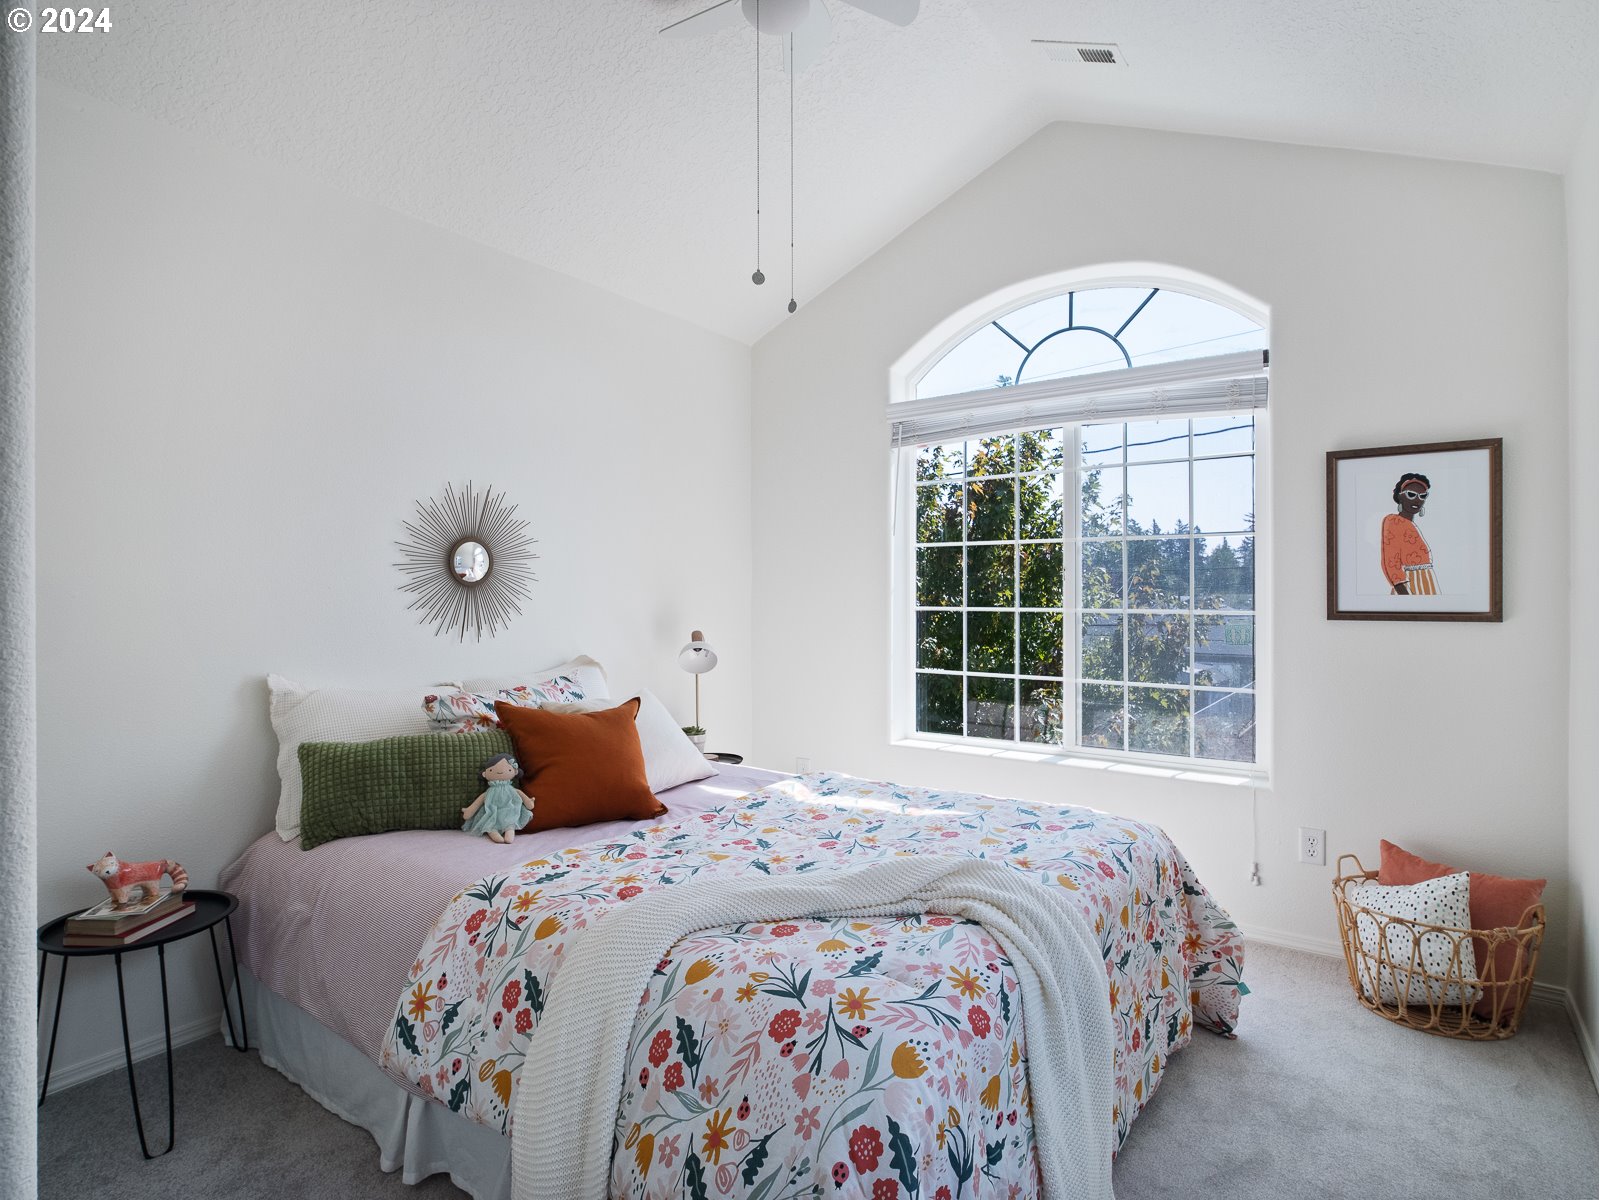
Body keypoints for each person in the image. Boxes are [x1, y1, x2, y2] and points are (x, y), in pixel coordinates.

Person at [1381, 472, 1437, 595]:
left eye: (1423, 496)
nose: (1417, 500)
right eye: (1411, 494)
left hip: (1425, 584)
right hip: (1410, 586)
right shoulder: (1393, 521)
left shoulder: (1411, 525)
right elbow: (1391, 563)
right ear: (1400, 496)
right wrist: (1404, 594)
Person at [461, 753, 535, 843]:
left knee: (510, 823)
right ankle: (493, 831)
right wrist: (469, 810)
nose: (500, 772)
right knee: (490, 823)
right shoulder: (488, 792)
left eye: (509, 769)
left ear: (515, 772)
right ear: (485, 774)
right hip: (492, 812)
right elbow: (479, 801)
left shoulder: (514, 790)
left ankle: (509, 830)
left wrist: (529, 802)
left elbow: (522, 795)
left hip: (510, 812)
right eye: (491, 770)